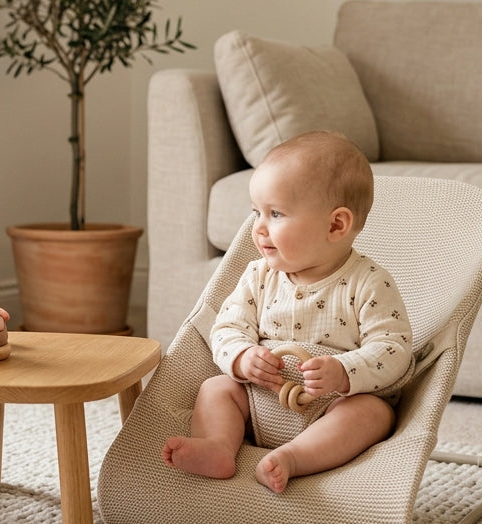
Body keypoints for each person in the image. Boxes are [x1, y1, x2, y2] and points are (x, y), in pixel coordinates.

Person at [162, 130, 413, 494]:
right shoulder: (259, 276)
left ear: (335, 225)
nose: (257, 228)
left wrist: (344, 372)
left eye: (275, 213)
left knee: (373, 414)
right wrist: (243, 357)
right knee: (216, 388)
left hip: (330, 405)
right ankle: (218, 446)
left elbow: (394, 350)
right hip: (259, 396)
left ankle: (294, 457)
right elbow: (226, 328)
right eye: (256, 213)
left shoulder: (369, 282)